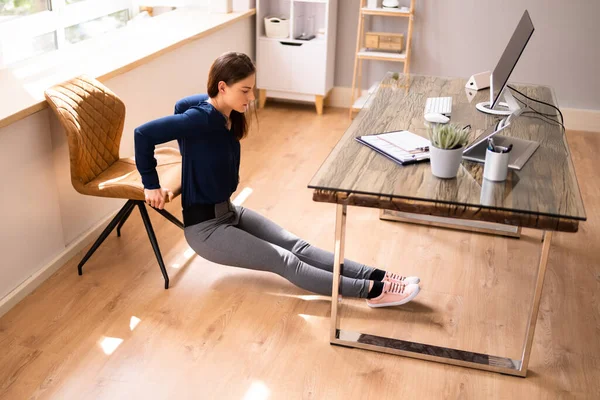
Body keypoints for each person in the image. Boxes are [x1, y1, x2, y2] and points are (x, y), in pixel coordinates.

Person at [134, 51, 421, 308]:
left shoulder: (223, 114)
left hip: (229, 212)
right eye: (245, 90)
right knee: (286, 261)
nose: (251, 98)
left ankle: (376, 275)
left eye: (252, 89)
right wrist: (151, 184)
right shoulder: (200, 119)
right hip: (206, 230)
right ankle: (372, 292)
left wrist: (190, 155)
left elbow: (180, 103)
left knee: (298, 246)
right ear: (222, 87)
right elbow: (143, 134)